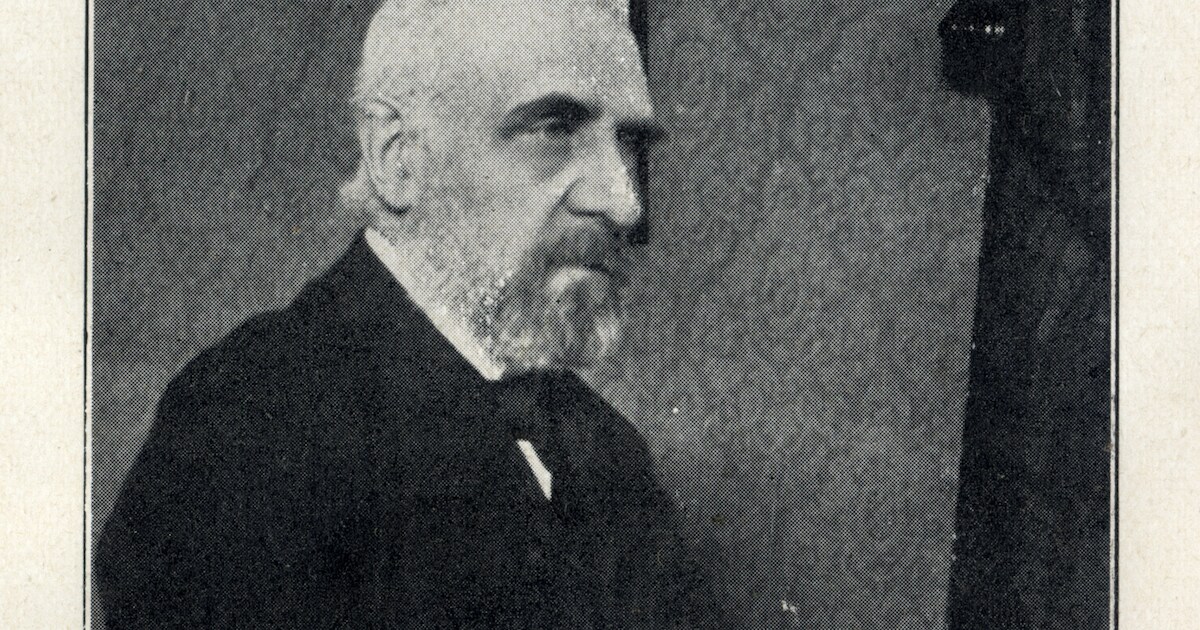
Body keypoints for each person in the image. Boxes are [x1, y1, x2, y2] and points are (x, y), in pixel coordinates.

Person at [95, 0, 717, 628]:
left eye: (629, 143)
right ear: (398, 160)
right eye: (554, 129)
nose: (624, 201)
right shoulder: (246, 427)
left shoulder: (609, 452)